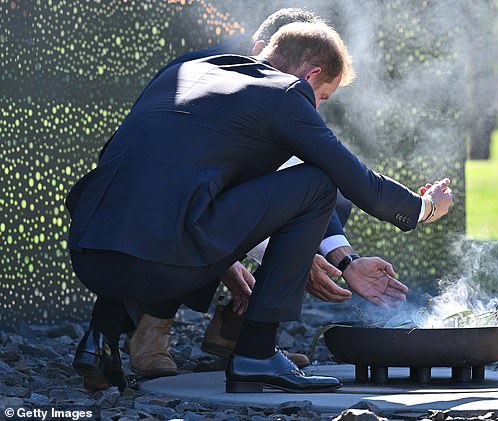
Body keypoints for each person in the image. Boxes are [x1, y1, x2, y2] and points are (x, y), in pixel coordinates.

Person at [66, 21, 453, 393]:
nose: (316, 108)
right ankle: (257, 353)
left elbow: (125, 166)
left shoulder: (186, 70)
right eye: (322, 97)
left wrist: (231, 258)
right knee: (319, 183)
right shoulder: (286, 95)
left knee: (147, 197)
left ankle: (99, 340)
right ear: (309, 75)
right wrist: (423, 207)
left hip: (88, 253)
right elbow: (357, 180)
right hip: (159, 267)